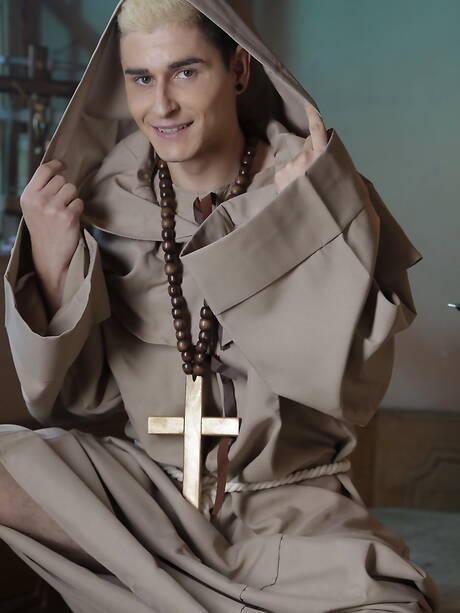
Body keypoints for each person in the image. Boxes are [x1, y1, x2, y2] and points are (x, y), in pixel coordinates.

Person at [0, 0, 439, 611]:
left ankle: (168, 593)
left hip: (290, 509)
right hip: (152, 498)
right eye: (141, 78)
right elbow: (77, 401)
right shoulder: (105, 206)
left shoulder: (312, 188)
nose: (161, 106)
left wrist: (304, 234)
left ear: (237, 69)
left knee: (392, 606)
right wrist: (50, 270)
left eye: (185, 72)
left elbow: (351, 387)